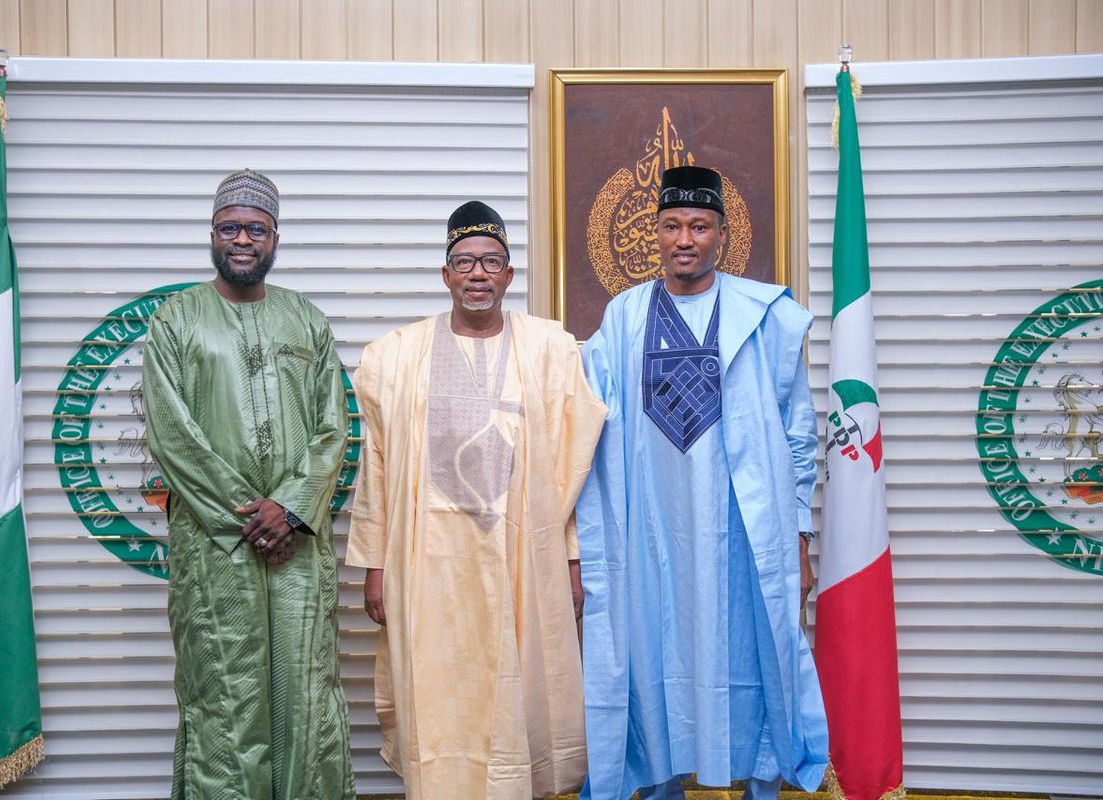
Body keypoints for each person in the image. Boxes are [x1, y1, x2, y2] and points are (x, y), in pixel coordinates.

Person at [576, 166, 829, 800]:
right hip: (651, 531)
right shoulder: (626, 316)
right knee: (649, 651)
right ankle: (660, 785)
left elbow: (798, 433)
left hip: (745, 532)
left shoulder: (765, 317)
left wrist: (798, 532)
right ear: (654, 233)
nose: (684, 238)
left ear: (721, 233)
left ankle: (761, 786)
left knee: (759, 648)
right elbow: (578, 406)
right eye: (671, 225)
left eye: (699, 225)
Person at [346, 201, 607, 798]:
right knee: (438, 694)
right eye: (465, 262)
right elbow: (377, 466)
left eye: (491, 261)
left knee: (520, 693)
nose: (478, 274)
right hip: (427, 564)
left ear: (509, 275)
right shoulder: (396, 357)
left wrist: (571, 557)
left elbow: (574, 466)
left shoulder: (549, 350)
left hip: (523, 557)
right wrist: (375, 565)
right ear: (445, 274)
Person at [143, 169, 355, 799]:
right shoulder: (176, 321)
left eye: (255, 229)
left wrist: (288, 509)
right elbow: (171, 434)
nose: (243, 239)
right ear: (211, 235)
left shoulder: (306, 320)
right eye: (230, 227)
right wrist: (249, 517)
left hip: (297, 550)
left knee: (304, 701)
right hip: (215, 554)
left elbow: (332, 429)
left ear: (275, 238)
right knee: (225, 707)